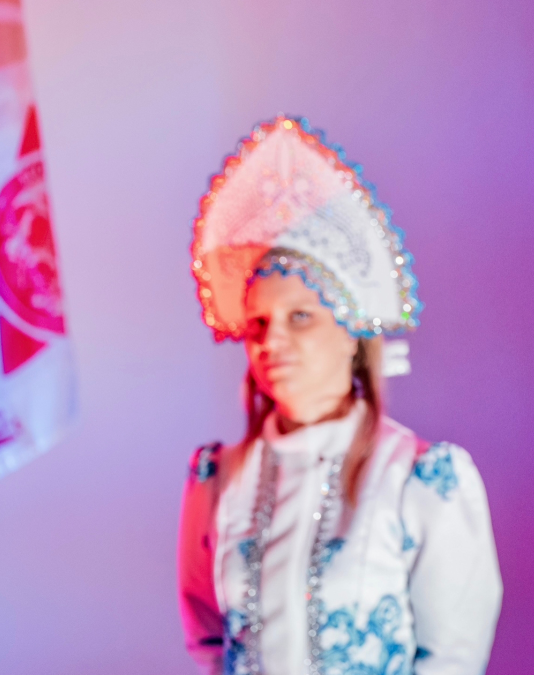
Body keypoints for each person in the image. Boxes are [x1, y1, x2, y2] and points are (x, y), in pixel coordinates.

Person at [179, 117, 502, 675]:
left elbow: (453, 658)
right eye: (258, 324)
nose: (272, 341)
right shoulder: (216, 480)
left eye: (300, 317)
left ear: (353, 333)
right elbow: (209, 642)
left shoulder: (423, 478)